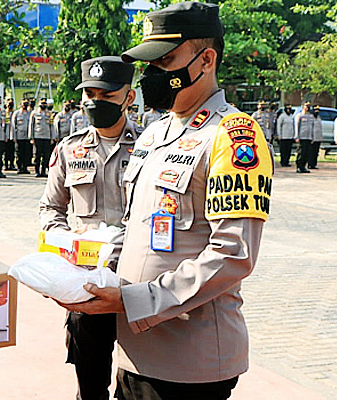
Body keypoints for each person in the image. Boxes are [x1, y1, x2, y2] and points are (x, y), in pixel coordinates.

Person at [58, 3, 273, 400]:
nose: (153, 75)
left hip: (189, 361)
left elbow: (234, 254)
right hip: (134, 350)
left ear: (206, 59)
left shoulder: (234, 136)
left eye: (166, 61)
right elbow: (132, 226)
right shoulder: (152, 135)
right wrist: (91, 278)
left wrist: (135, 299)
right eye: (150, 65)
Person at [40, 56, 140, 400]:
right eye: (90, 94)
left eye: (107, 96)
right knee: (91, 384)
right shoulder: (70, 149)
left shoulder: (151, 148)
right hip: (86, 286)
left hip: (137, 285)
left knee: (138, 383)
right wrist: (64, 241)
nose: (96, 103)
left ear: (129, 97)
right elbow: (50, 208)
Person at [30, 98, 54, 177]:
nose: (43, 105)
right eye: (42, 103)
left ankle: (43, 171)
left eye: (44, 103)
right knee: (37, 155)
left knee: (46, 155)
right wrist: (31, 137)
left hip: (47, 137)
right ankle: (37, 171)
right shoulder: (34, 113)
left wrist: (52, 137)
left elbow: (51, 126)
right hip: (37, 136)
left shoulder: (49, 114)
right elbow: (31, 125)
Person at [13, 98, 32, 174]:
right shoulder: (17, 114)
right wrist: (14, 137)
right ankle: (19, 167)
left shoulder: (30, 113)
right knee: (19, 153)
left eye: (26, 104)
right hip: (19, 136)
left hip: (27, 136)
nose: (25, 106)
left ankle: (25, 167)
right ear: (20, 105)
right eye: (23, 104)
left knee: (27, 153)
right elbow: (13, 126)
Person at [294, 101, 314, 173]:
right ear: (303, 107)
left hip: (308, 137)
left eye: (309, 106)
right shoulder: (299, 115)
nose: (307, 108)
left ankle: (303, 166)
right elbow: (297, 126)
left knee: (307, 153)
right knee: (301, 152)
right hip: (301, 137)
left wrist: (312, 137)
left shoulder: (311, 116)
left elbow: (312, 127)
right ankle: (299, 166)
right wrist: (297, 137)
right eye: (306, 106)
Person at [4, 98, 17, 170]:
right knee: (6, 151)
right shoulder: (4, 113)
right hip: (5, 135)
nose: (10, 105)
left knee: (12, 151)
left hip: (13, 135)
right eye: (8, 104)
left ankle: (12, 164)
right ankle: (6, 165)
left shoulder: (15, 113)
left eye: (11, 104)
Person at [308, 105, 322, 169]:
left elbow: (320, 128)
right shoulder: (311, 117)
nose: (317, 111)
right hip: (312, 138)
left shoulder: (318, 117)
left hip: (318, 137)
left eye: (318, 110)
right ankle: (310, 164)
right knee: (311, 152)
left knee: (316, 152)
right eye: (315, 110)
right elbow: (310, 128)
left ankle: (314, 164)